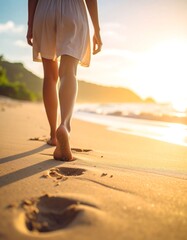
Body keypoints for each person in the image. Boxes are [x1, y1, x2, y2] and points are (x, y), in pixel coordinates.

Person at [26, 0, 102, 161]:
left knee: (50, 76)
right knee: (68, 72)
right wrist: (97, 29)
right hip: (73, 11)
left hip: (44, 11)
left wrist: (30, 24)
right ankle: (64, 126)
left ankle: (54, 135)